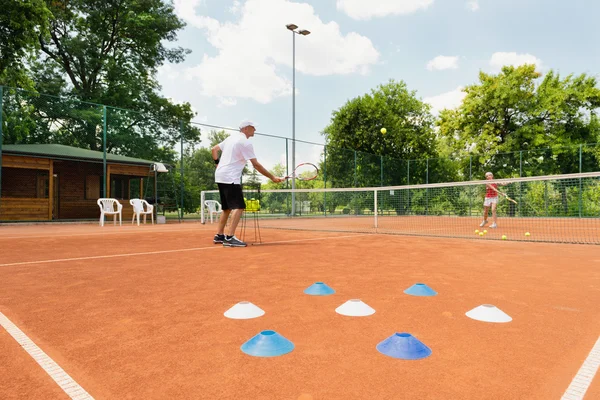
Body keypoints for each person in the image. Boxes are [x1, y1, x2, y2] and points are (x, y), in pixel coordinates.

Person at [211, 120, 284, 247]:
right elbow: (256, 165)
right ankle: (229, 238)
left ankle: (219, 235)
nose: (255, 130)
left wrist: (217, 164)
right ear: (245, 128)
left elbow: (214, 149)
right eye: (253, 127)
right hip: (230, 177)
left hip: (220, 175)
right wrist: (272, 177)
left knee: (227, 208)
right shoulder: (245, 143)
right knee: (239, 206)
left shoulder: (230, 138)